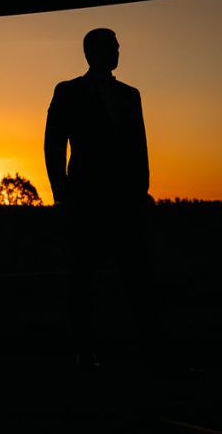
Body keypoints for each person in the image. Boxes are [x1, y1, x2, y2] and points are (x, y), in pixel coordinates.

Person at [43, 27, 159, 369]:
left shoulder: (130, 95)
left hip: (125, 201)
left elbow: (140, 146)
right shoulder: (67, 92)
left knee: (136, 276)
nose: (119, 52)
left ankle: (149, 350)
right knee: (84, 278)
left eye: (118, 47)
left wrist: (141, 190)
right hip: (86, 201)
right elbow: (53, 143)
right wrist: (61, 191)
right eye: (113, 47)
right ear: (93, 52)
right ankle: (84, 351)